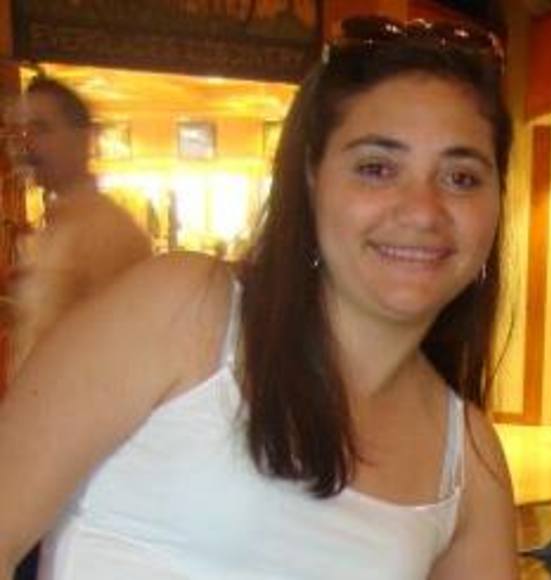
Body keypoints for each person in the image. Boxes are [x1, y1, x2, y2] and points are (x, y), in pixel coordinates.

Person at [0, 16, 518, 579]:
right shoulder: (186, 310)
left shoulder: (469, 464)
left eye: (462, 178)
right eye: (376, 168)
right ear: (311, 178)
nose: (422, 210)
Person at [7, 76, 152, 378]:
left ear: (83, 139)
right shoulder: (56, 225)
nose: (26, 144)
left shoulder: (108, 230)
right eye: (21, 132)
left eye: (41, 129)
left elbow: (122, 355)